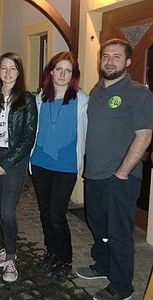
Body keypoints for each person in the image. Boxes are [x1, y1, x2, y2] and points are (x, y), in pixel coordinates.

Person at [76, 38, 153, 300]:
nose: (109, 61)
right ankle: (103, 264)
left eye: (117, 56)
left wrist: (122, 173)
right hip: (94, 175)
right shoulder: (97, 90)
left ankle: (122, 288)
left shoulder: (138, 93)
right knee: (98, 225)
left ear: (128, 62)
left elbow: (144, 135)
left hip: (120, 178)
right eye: (106, 56)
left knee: (119, 234)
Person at [30, 51, 88, 283]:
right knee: (45, 212)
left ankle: (65, 260)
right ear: (51, 72)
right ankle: (51, 251)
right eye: (59, 69)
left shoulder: (82, 100)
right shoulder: (39, 98)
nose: (63, 74)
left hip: (66, 165)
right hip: (41, 162)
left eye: (68, 70)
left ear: (73, 75)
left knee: (57, 213)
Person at [0, 52, 37, 282]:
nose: (8, 72)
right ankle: (7, 247)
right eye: (4, 67)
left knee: (6, 211)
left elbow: (27, 137)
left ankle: (11, 258)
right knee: (2, 211)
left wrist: (4, 163)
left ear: (19, 71)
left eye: (13, 68)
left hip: (14, 161)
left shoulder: (26, 99)